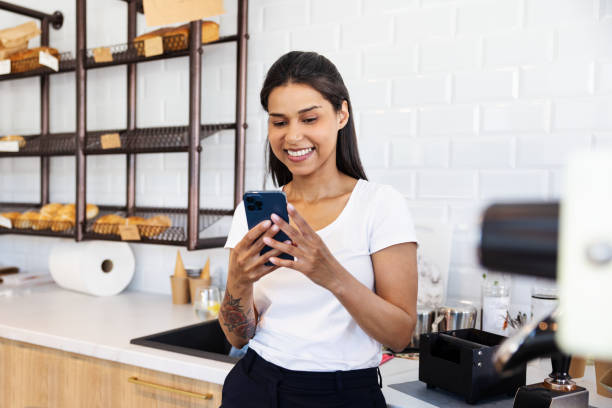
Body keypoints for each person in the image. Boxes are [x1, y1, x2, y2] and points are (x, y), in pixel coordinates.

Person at [219, 51, 418, 408]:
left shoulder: (380, 205)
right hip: (254, 384)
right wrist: (237, 280)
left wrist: (330, 274)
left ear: (342, 114)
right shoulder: (251, 214)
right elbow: (237, 336)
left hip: (341, 395)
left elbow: (400, 335)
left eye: (309, 118)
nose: (293, 136)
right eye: (279, 123)